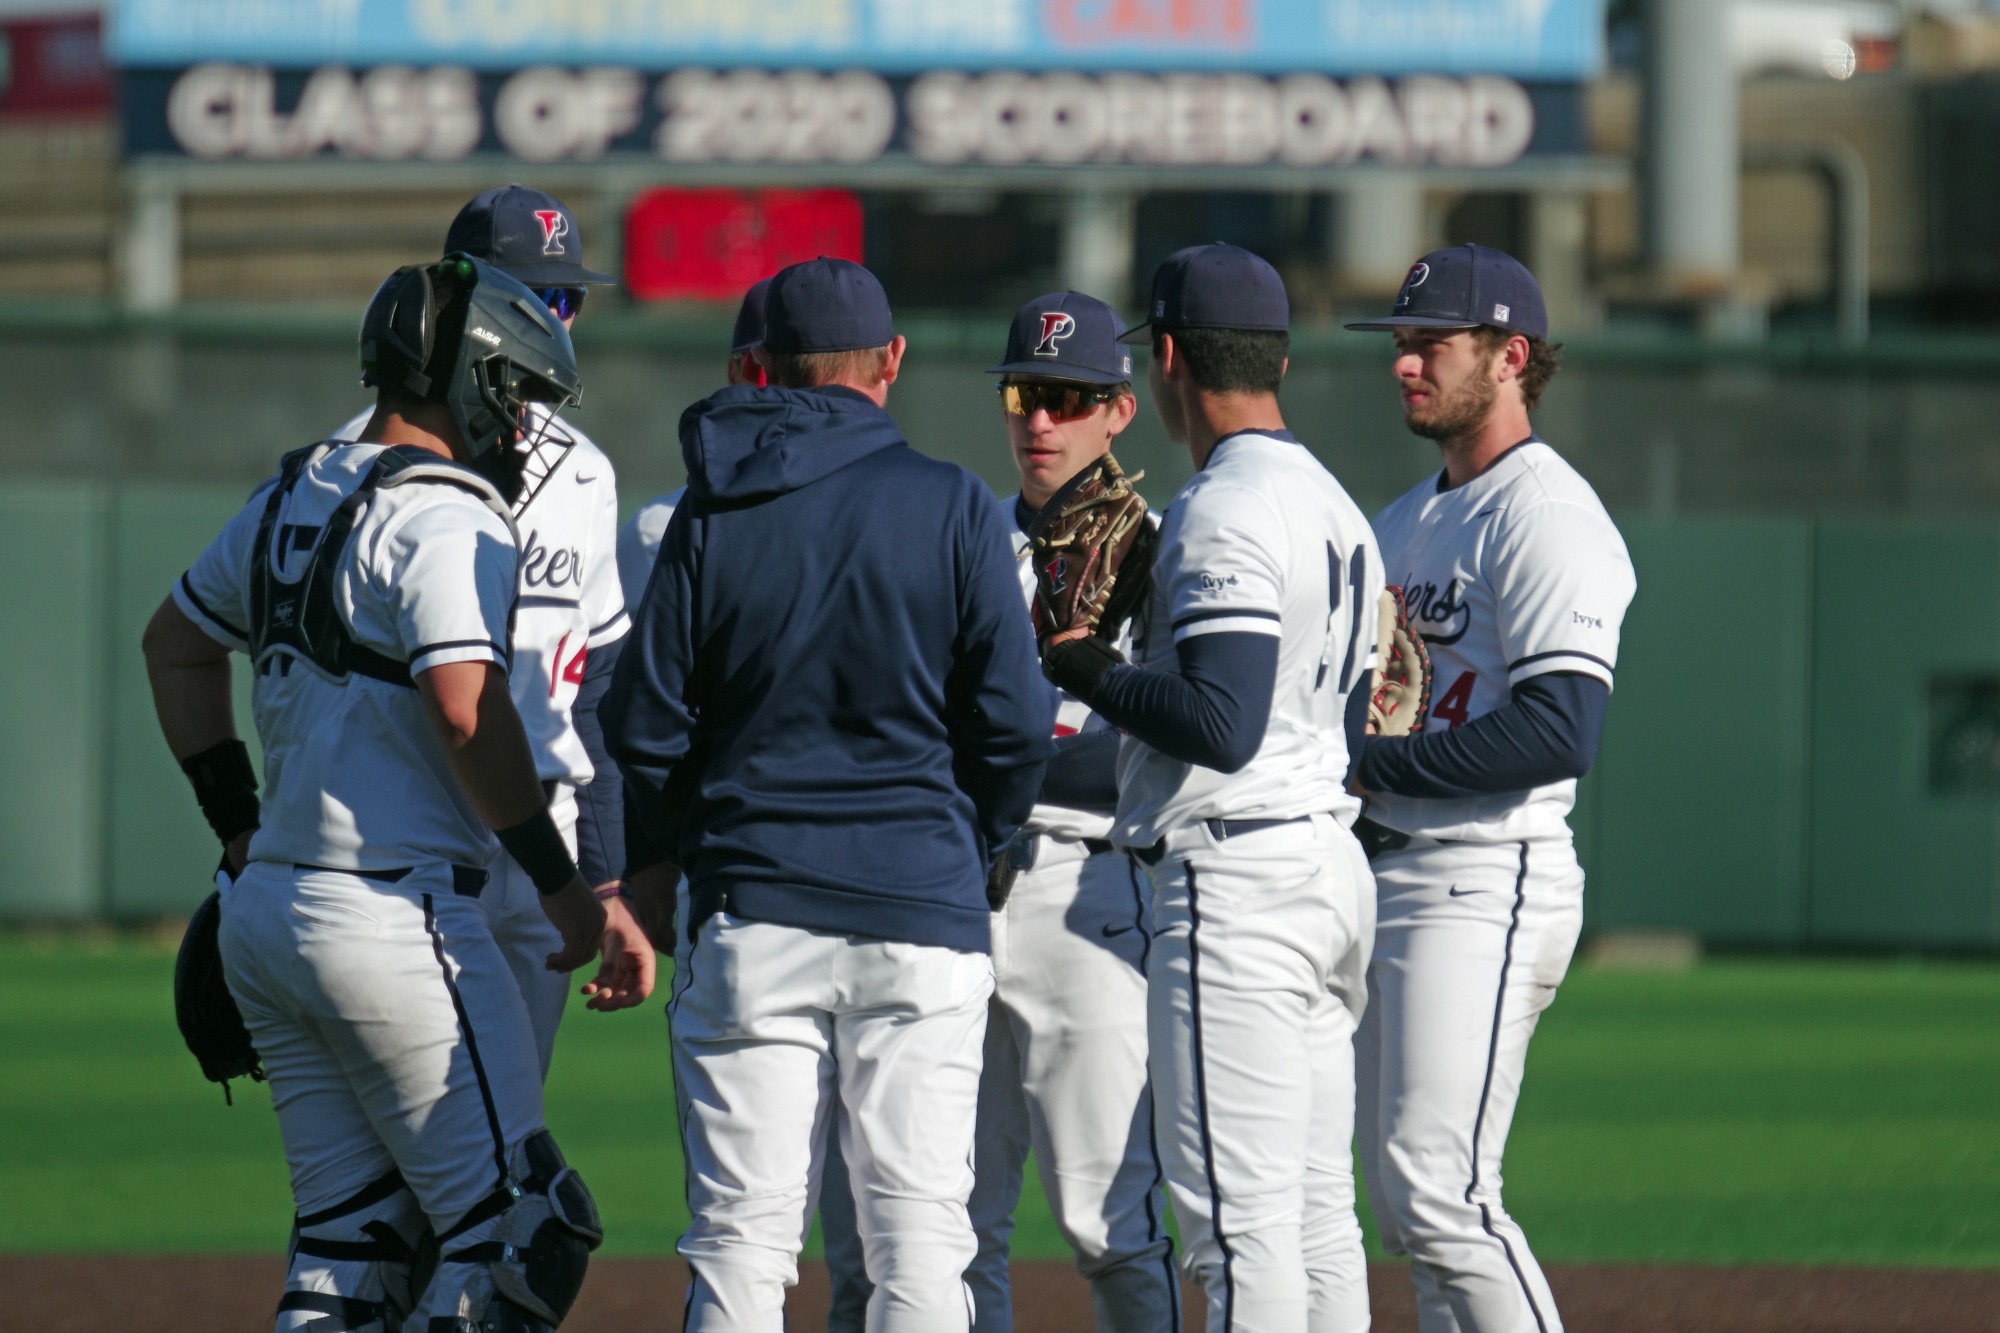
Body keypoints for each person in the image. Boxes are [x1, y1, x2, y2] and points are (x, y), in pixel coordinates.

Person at [143, 256, 641, 1331]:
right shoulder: (451, 517)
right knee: (523, 1234)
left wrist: (236, 824)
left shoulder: (291, 491)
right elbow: (466, 711)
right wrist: (561, 885)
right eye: (516, 393)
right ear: (470, 377)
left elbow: (173, 643)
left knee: (349, 1255)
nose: (524, 423)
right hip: (393, 918)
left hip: (269, 913)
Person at [603, 256, 1056, 1332]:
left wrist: (702, 835)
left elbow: (643, 723)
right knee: (920, 1243)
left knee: (739, 1245)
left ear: (766, 366)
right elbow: (1015, 724)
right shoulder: (954, 502)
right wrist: (973, 842)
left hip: (754, 908)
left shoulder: (712, 506)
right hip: (921, 910)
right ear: (891, 359)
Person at [1042, 243, 1381, 1333]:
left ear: (1170, 359)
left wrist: (1082, 664)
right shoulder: (1336, 502)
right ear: (1276, 358)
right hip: (1325, 864)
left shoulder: (1225, 502)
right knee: (1316, 1220)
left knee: (1237, 1233)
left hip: (1241, 886)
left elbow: (1221, 726)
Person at [1343, 245, 1636, 1333]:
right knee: (1406, 1208)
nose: (1403, 363)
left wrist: (1368, 765)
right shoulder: (1400, 519)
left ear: (1511, 356)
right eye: (1401, 342)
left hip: (1484, 871)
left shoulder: (1545, 513)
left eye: (1430, 343)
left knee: (1441, 1192)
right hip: (1391, 875)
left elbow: (1561, 728)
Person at [328, 184, 650, 1076]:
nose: (554, 321)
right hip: (415, 822)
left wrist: (605, 878)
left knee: (512, 1113)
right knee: (424, 1124)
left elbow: (594, 684)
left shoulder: (587, 473)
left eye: (567, 299)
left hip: (546, 832)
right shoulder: (358, 462)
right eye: (533, 297)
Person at [616, 276, 770, 609]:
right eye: (765, 370)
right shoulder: (658, 532)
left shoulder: (869, 521)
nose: (784, 393)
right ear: (734, 372)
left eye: (803, 374)